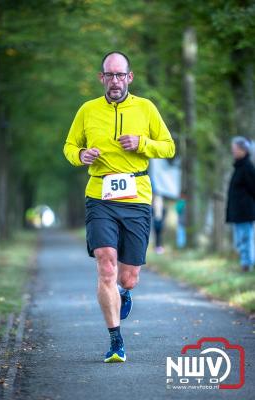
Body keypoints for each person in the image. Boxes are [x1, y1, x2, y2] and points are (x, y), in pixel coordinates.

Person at [63, 51, 175, 362]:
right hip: (100, 195)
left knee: (128, 277)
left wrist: (142, 143)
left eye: (120, 75)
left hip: (136, 197)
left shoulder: (146, 108)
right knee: (106, 263)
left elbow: (168, 146)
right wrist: (81, 155)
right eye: (109, 75)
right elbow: (70, 146)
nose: (115, 81)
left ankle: (124, 293)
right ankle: (116, 341)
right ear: (101, 78)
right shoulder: (87, 110)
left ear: (129, 77)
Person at [226, 136, 255, 272]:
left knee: (245, 239)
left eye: (235, 149)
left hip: (245, 212)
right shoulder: (239, 167)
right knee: (240, 240)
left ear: (243, 150)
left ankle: (247, 265)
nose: (233, 151)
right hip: (238, 212)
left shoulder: (247, 168)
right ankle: (245, 263)